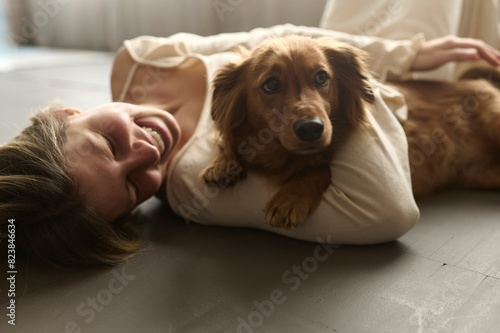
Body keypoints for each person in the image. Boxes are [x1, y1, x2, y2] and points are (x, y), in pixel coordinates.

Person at [1, 24, 500, 267]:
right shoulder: (196, 188)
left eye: (111, 143)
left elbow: (269, 35)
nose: (148, 153)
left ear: (63, 113)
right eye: (134, 185)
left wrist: (404, 52)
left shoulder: (134, 60)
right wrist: (351, 102)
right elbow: (391, 211)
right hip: (444, 124)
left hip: (445, 93)